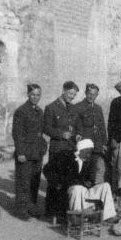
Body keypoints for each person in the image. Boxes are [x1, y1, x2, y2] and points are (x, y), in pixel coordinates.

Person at [43, 81, 79, 223]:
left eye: (74, 95)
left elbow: (74, 127)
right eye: (70, 94)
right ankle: (51, 212)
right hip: (57, 149)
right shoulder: (51, 107)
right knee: (54, 181)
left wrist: (76, 135)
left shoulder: (73, 108)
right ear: (63, 91)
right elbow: (46, 128)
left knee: (66, 181)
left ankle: (62, 212)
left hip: (69, 149)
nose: (72, 97)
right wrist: (60, 134)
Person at [12, 84, 47, 219]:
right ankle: (21, 210)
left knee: (34, 181)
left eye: (38, 95)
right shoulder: (21, 111)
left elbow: (41, 132)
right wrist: (20, 152)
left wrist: (43, 148)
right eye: (33, 94)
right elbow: (17, 134)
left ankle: (31, 207)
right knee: (23, 182)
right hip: (25, 152)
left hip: (37, 152)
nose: (35, 97)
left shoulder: (39, 111)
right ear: (28, 95)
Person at [66, 138, 117, 221]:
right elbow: (68, 178)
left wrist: (90, 182)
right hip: (74, 190)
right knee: (77, 188)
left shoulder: (89, 161)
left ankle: (108, 216)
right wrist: (82, 183)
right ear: (81, 150)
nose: (89, 155)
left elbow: (91, 179)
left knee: (105, 186)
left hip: (86, 190)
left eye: (90, 152)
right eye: (87, 152)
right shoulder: (70, 159)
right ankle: (77, 217)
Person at [73, 83, 108, 185]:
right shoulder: (78, 107)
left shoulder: (98, 108)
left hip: (96, 145)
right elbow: (75, 126)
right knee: (83, 170)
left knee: (93, 171)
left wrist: (104, 143)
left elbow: (102, 127)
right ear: (85, 93)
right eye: (89, 93)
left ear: (97, 95)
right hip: (85, 145)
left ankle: (90, 194)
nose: (91, 96)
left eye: (94, 94)